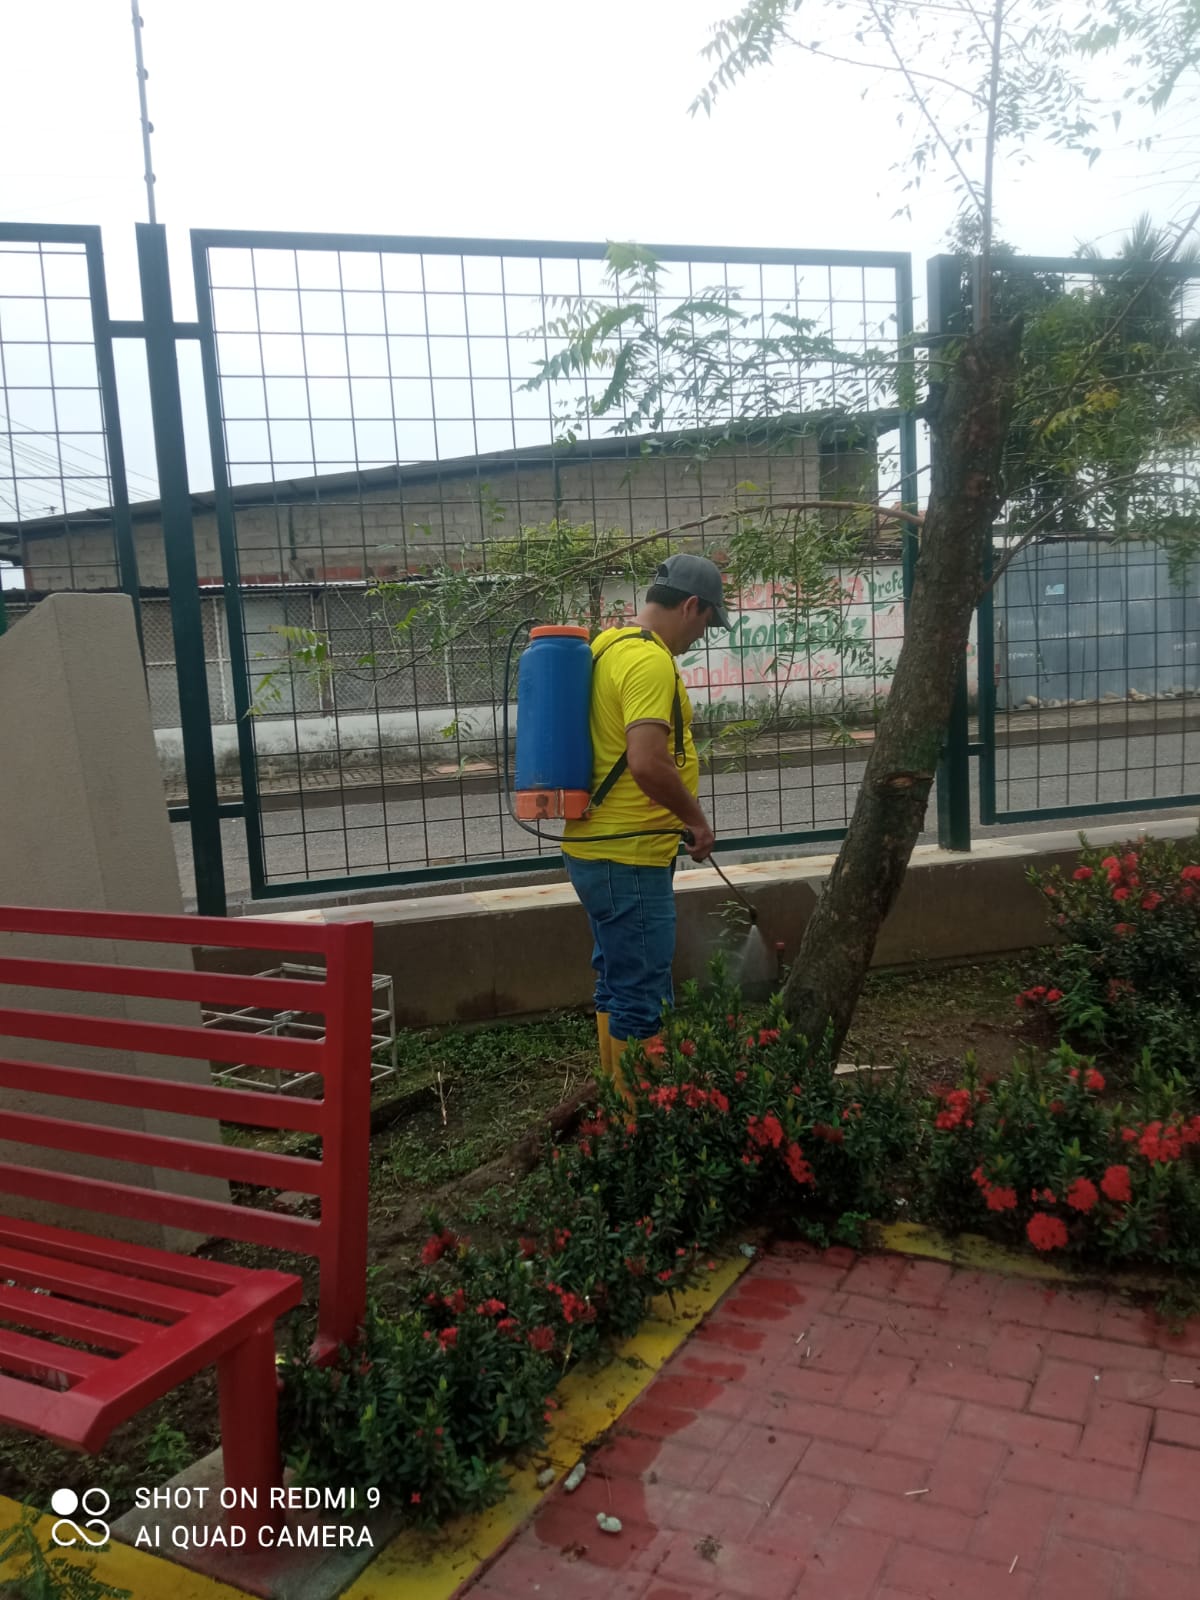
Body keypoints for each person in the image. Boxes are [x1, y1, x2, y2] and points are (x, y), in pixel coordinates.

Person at [562, 553, 730, 1099]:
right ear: (690, 605)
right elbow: (647, 761)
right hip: (629, 858)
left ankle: (618, 1104)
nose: (703, 635)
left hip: (593, 849)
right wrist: (697, 821)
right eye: (708, 622)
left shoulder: (608, 646)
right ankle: (642, 1126)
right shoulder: (650, 662)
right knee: (643, 995)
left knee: (616, 981)